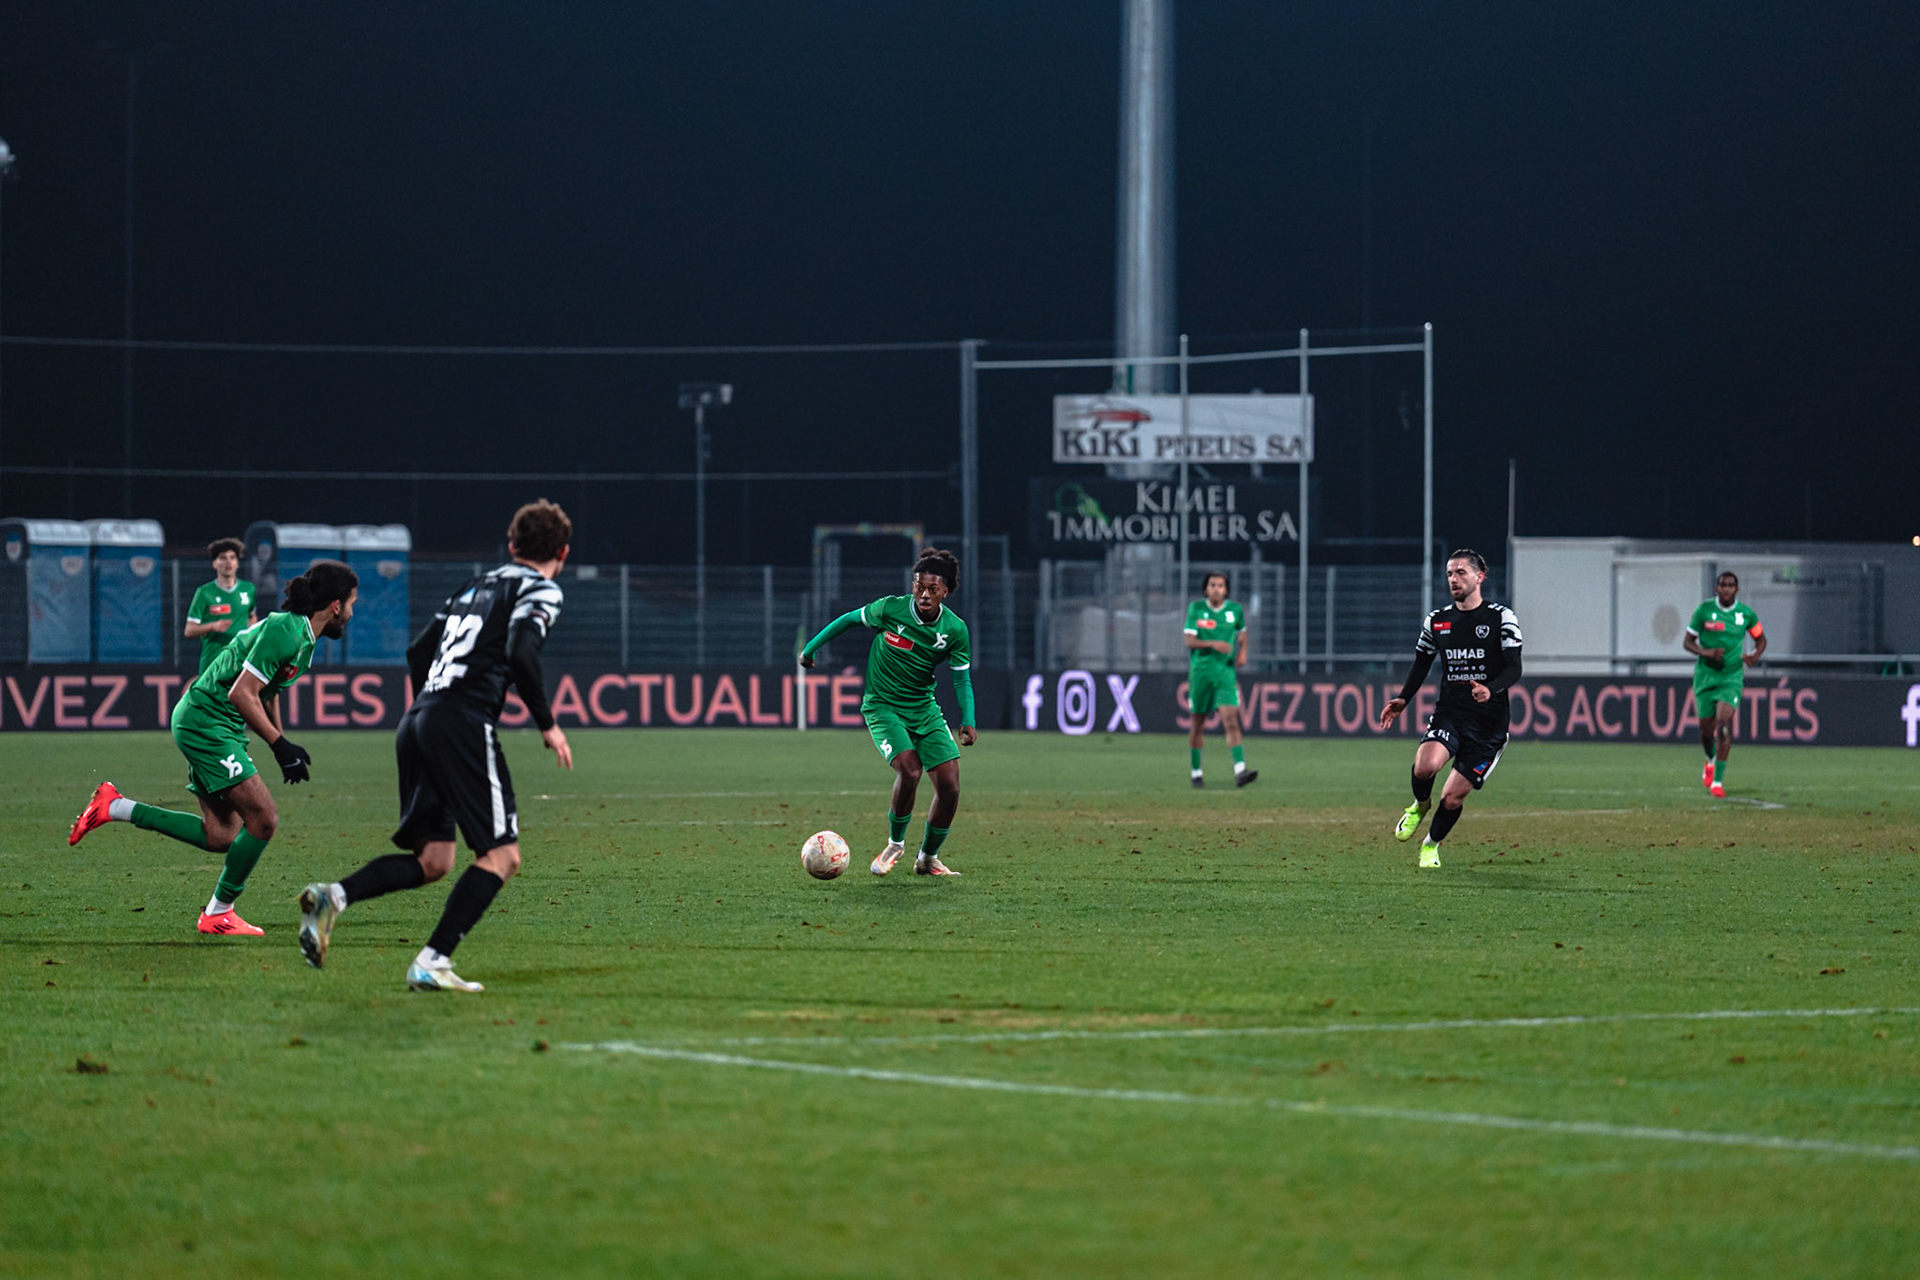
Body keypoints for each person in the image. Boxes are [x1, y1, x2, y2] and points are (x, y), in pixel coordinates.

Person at [297, 500, 573, 993]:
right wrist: (547, 723)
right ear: (563, 552)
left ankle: (333, 897)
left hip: (419, 718)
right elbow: (521, 650)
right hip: (460, 722)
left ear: (511, 546)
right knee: (502, 856)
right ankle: (432, 960)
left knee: (435, 860)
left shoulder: (473, 587)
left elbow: (418, 651)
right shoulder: (540, 588)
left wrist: (434, 702)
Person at [68, 561, 359, 933]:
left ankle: (114, 806)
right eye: (351, 603)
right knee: (264, 819)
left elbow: (267, 692)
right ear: (335, 605)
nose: (352, 613)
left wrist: (280, 743)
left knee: (221, 835)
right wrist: (278, 742)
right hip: (206, 722)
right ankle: (218, 912)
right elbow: (242, 693)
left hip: (216, 724)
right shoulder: (286, 630)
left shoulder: (302, 637)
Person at [799, 547, 976, 877]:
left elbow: (961, 679)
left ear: (946, 592)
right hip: (883, 707)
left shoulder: (954, 630)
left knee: (950, 787)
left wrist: (968, 719)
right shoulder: (890, 609)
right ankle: (895, 844)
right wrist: (811, 648)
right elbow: (849, 620)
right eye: (919, 586)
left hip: (923, 707)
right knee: (910, 771)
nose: (924, 594)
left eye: (932, 589)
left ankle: (927, 859)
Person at [1378, 550, 1523, 868]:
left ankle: (1431, 845)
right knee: (1424, 767)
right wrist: (1404, 698)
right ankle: (1419, 805)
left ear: (1479, 576)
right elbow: (1421, 663)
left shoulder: (1501, 618)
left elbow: (1514, 668)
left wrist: (1491, 688)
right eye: (1449, 574)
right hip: (1451, 714)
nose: (1454, 579)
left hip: (1489, 727)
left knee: (1453, 796)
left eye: (1460, 572)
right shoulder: (1437, 620)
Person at [1683, 570, 1766, 798]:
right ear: (1717, 589)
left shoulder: (1745, 614)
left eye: (1730, 585)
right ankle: (1710, 761)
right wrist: (1706, 652)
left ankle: (1718, 782)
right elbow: (1687, 642)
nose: (1726, 589)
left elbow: (1761, 638)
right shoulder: (1704, 611)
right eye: (1722, 585)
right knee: (1705, 731)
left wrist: (1754, 655)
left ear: (1736, 590)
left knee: (1724, 722)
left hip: (1731, 678)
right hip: (1706, 677)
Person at [1183, 570, 1256, 789]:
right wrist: (1213, 644)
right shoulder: (1196, 609)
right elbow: (1189, 640)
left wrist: (1243, 652)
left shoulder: (1234, 611)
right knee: (1198, 724)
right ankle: (1196, 772)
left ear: (1226, 590)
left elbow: (1242, 633)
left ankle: (1240, 770)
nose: (1216, 589)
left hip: (1225, 673)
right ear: (1206, 589)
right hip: (1201, 673)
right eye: (1212, 585)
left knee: (1231, 719)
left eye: (1220, 585)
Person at [183, 537, 258, 676]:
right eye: (223, 558)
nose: (228, 562)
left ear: (237, 563)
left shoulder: (248, 589)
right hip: (212, 663)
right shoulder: (204, 593)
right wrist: (212, 626)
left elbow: (251, 617)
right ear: (214, 564)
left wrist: (250, 639)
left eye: (232, 557)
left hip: (240, 663)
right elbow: (189, 630)